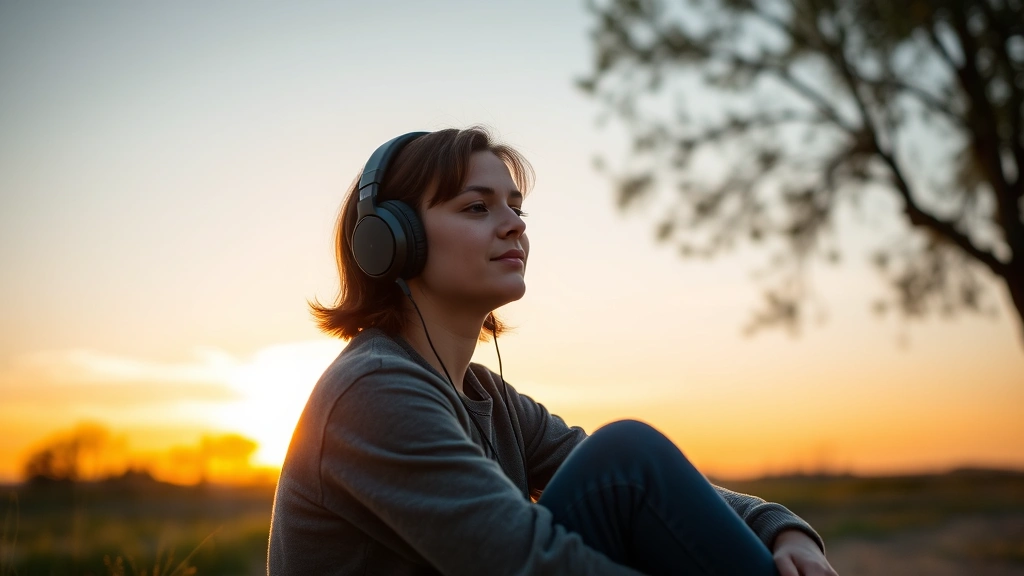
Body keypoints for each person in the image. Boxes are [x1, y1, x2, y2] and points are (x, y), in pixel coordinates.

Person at [267, 127, 838, 576]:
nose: (513, 225)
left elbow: (636, 482)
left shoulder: (489, 397)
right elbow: (527, 563)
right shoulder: (372, 392)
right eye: (477, 207)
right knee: (627, 451)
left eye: (516, 208)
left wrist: (779, 528)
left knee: (624, 457)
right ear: (391, 242)